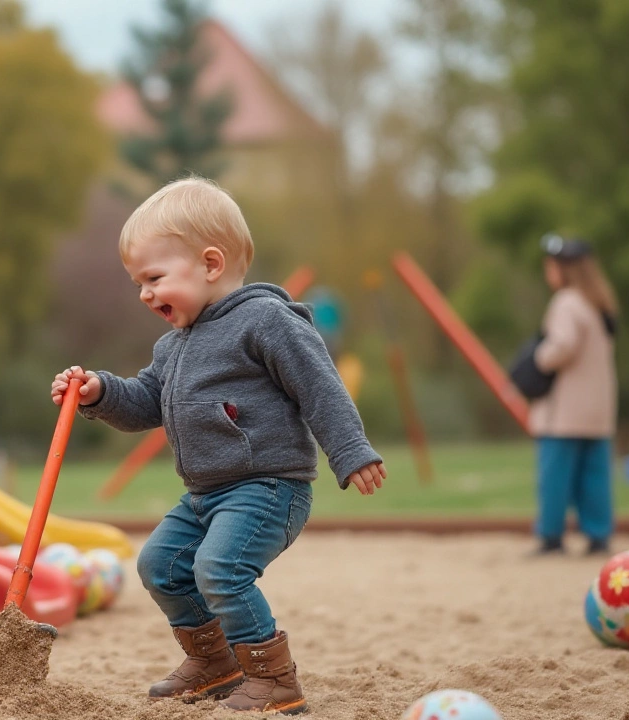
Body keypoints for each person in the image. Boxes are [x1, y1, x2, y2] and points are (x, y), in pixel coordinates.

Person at [51, 177, 385, 715]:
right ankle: (214, 661)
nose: (145, 294)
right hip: (205, 495)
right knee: (160, 564)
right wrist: (100, 392)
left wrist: (351, 452)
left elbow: (319, 385)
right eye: (139, 282)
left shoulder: (266, 321)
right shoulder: (173, 345)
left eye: (154, 278)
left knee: (220, 568)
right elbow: (144, 404)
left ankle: (273, 678)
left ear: (209, 265)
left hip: (268, 487)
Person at [529, 233, 618, 556]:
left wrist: (539, 357)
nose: (547, 271)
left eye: (551, 265)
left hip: (566, 411)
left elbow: (563, 346)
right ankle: (598, 535)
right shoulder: (600, 302)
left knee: (555, 475)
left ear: (564, 269)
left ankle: (551, 535)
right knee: (595, 476)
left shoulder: (567, 301)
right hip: (598, 409)